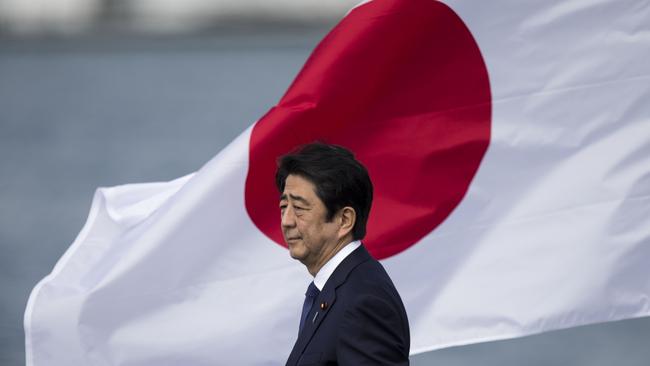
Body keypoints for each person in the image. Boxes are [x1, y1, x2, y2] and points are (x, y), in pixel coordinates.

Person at [277, 142, 410, 365]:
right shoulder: (337, 290)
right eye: (283, 207)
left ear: (344, 220)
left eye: (299, 208)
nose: (286, 221)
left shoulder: (364, 301)